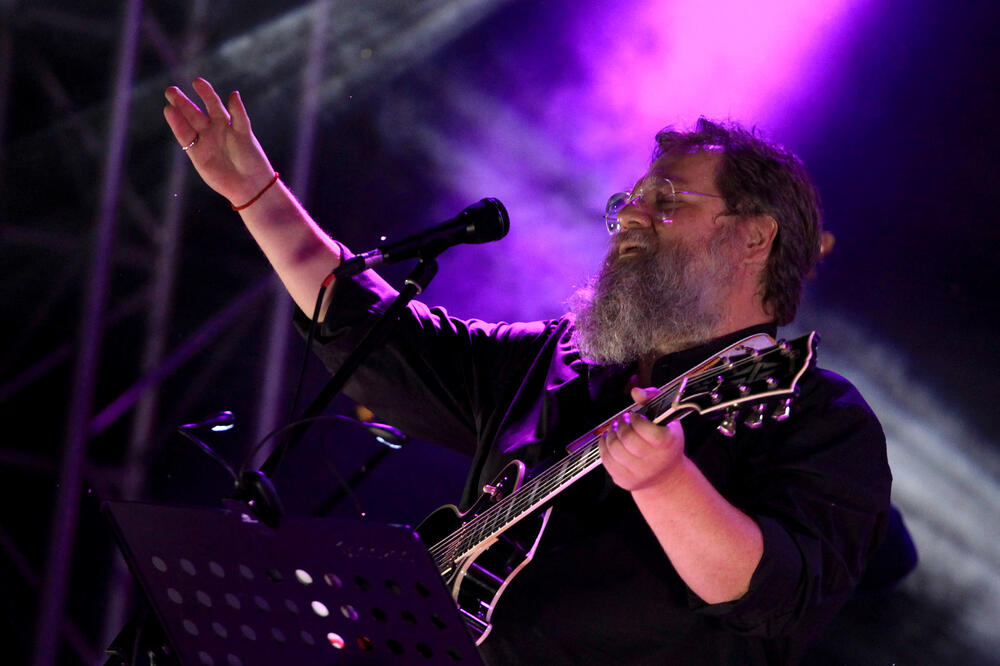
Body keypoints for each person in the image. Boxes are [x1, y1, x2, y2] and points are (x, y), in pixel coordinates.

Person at [164, 78, 892, 665]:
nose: (632, 216)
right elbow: (378, 336)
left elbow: (771, 598)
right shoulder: (563, 363)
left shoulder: (817, 415)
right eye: (629, 201)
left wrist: (668, 485)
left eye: (666, 201)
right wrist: (257, 194)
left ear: (754, 235)